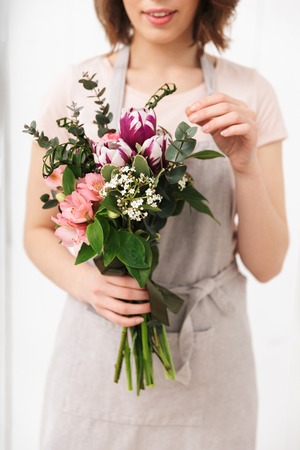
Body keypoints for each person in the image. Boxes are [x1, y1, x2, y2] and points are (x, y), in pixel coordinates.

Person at [24, 1, 289, 449]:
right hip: (97, 361)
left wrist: (244, 166)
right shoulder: (75, 89)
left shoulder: (248, 92)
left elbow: (267, 265)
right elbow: (37, 229)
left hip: (211, 371)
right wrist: (88, 285)